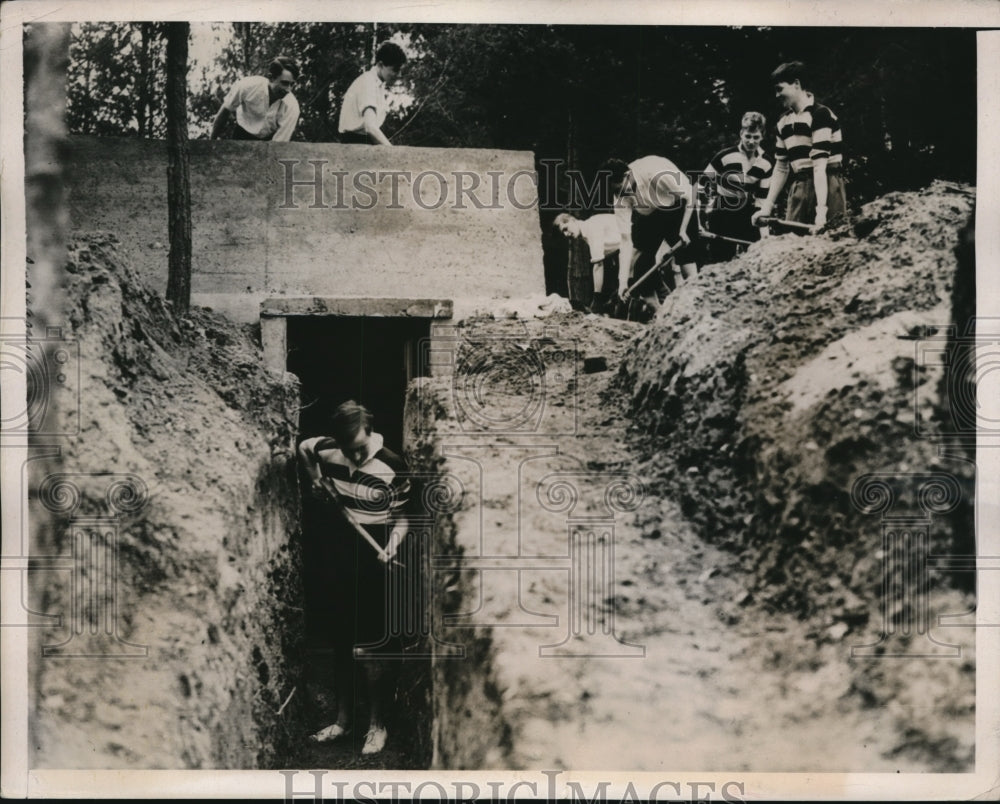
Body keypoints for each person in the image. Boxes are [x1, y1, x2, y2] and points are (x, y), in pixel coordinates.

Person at [298, 401, 411, 755]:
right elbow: (303, 447)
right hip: (337, 553)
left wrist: (392, 545)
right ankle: (343, 721)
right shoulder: (330, 450)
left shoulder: (392, 465)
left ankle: (377, 725)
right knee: (341, 641)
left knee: (371, 645)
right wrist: (315, 479)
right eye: (349, 450)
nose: (355, 455)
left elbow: (404, 519)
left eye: (360, 448)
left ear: (371, 435)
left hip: (375, 555)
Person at [752, 61, 848, 232]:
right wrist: (766, 207)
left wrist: (821, 212)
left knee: (831, 241)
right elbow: (781, 168)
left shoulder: (820, 114)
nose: (776, 95)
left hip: (827, 184)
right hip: (800, 187)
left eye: (779, 89)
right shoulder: (783, 122)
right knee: (794, 243)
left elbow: (820, 167)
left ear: (796, 84)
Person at [603, 155, 700, 315]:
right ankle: (659, 315)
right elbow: (626, 241)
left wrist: (683, 230)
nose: (620, 195)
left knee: (686, 260)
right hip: (652, 213)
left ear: (627, 176)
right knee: (640, 264)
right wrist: (623, 282)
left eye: (620, 189)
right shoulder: (619, 197)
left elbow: (690, 195)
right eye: (615, 191)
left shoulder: (653, 171)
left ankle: (696, 307)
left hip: (679, 204)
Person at [699, 111, 774, 263]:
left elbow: (761, 200)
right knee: (720, 261)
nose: (751, 141)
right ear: (741, 134)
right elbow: (701, 185)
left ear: (762, 136)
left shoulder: (766, 163)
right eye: (748, 136)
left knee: (754, 259)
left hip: (748, 212)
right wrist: (700, 216)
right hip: (722, 212)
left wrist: (764, 234)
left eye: (756, 137)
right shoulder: (724, 156)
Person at [211, 56, 300, 142]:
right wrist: (211, 143)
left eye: (292, 84)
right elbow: (225, 111)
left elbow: (280, 142)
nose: (288, 90)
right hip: (241, 134)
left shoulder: (292, 107)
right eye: (284, 83)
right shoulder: (247, 86)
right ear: (271, 78)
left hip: (269, 141)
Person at [338, 41, 407, 146]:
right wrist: (392, 152)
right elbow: (370, 127)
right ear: (380, 65)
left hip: (364, 142)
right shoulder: (368, 82)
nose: (399, 74)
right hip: (354, 143)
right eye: (395, 70)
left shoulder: (377, 84)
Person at [553, 212, 621, 315]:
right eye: (563, 233)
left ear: (572, 220)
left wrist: (597, 299)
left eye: (566, 229)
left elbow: (598, 265)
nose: (566, 235)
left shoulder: (592, 228)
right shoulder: (587, 232)